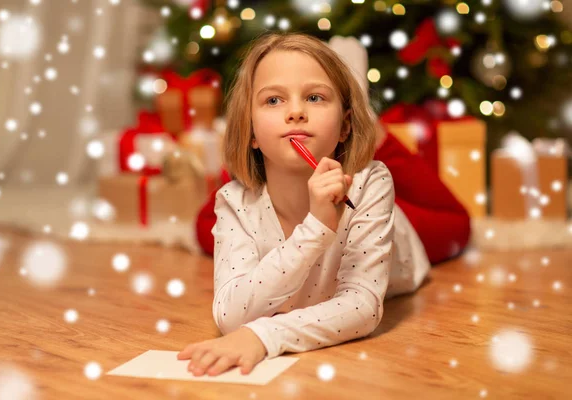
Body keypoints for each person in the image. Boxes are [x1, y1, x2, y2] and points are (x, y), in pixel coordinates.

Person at [178, 32, 448, 377]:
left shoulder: (372, 184)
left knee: (457, 224)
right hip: (296, 216)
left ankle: (365, 112)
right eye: (274, 100)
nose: (295, 112)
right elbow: (231, 316)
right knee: (206, 221)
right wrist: (316, 229)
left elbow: (363, 306)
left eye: (315, 97)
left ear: (345, 127)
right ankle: (344, 93)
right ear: (251, 132)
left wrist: (263, 335)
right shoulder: (233, 201)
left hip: (401, 242)